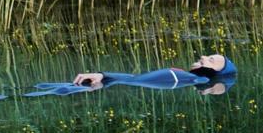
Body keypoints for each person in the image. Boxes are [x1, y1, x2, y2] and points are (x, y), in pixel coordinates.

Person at [25, 54, 237, 97]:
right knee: (46, 87)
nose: (203, 56)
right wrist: (103, 74)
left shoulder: (197, 79)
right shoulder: (185, 78)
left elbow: (136, 81)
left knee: (57, 89)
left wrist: (205, 81)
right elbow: (136, 78)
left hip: (114, 83)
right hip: (113, 81)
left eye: (211, 60)